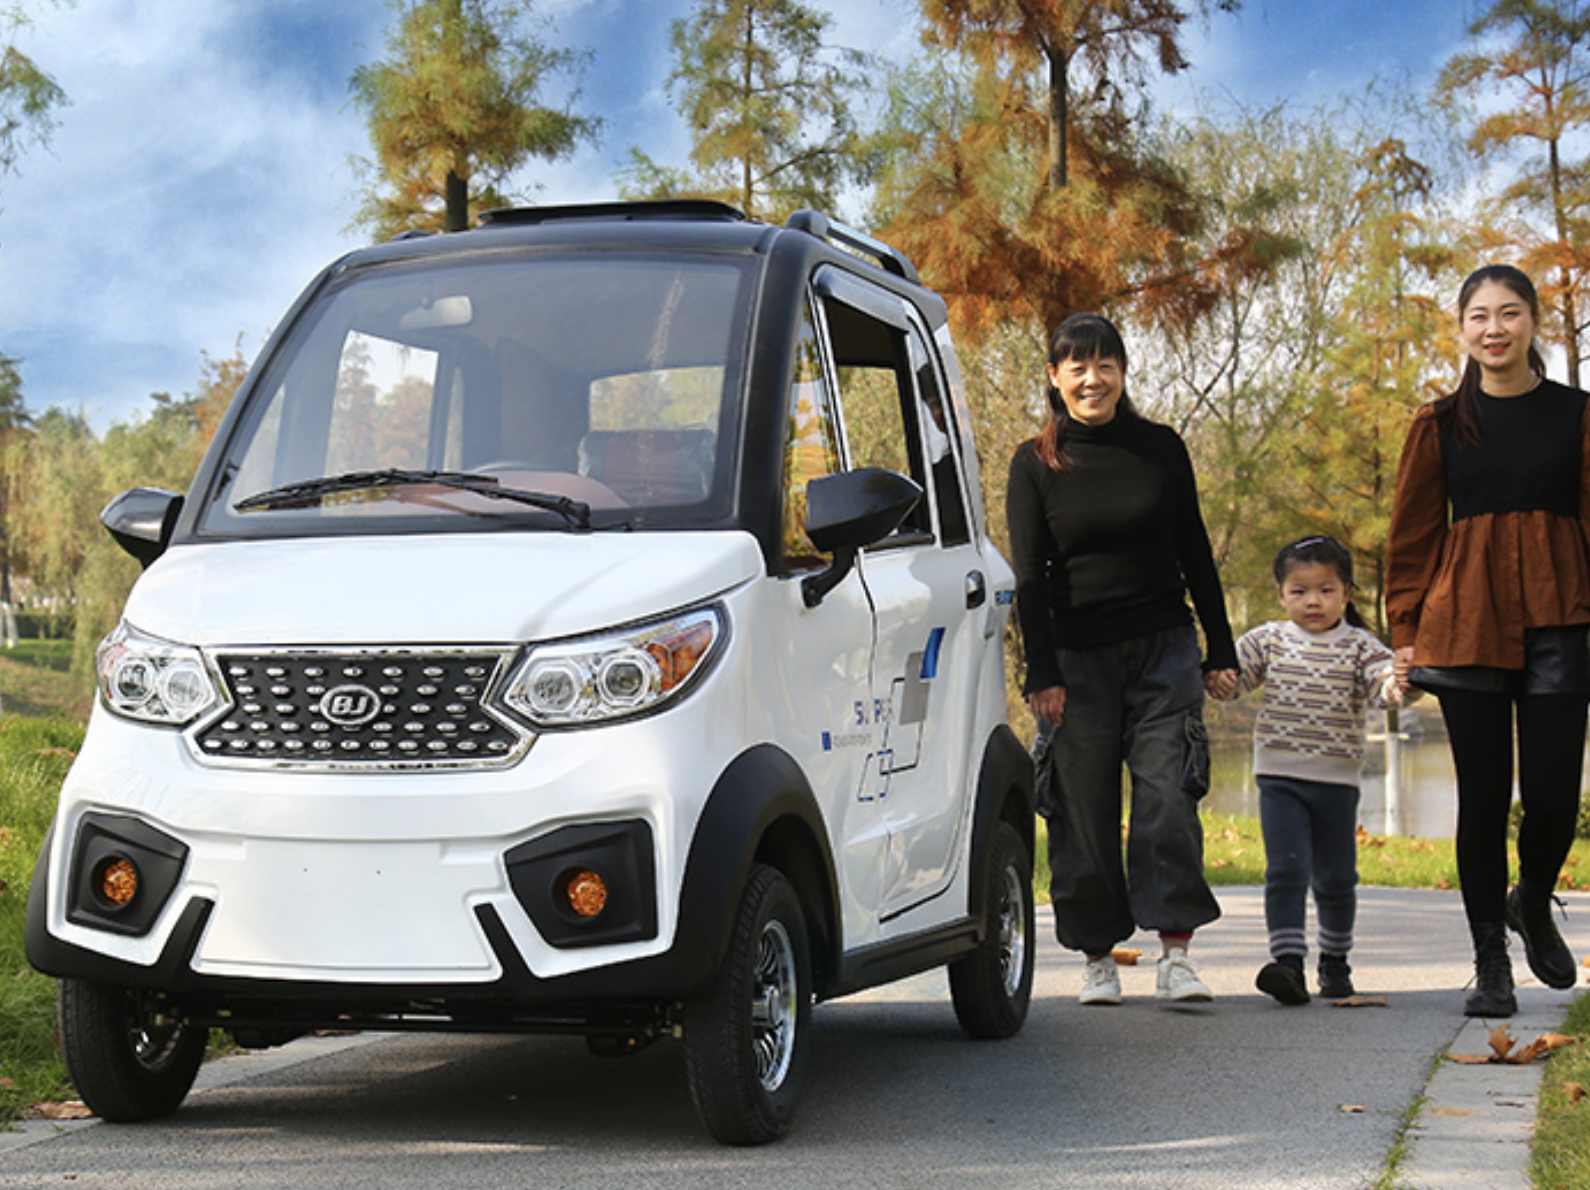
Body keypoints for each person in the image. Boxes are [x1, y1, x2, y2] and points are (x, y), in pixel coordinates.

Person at [1007, 312, 1238, 1006]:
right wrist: (1040, 670)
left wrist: (1219, 649)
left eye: (1104, 364)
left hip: (1164, 649)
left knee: (1168, 798)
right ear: (1054, 377)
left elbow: (1194, 548)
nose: (1091, 378)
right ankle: (1098, 958)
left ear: (1122, 373)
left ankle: (1176, 955)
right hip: (1076, 663)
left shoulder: (1159, 448)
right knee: (1082, 810)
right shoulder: (1035, 462)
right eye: (1076, 366)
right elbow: (1029, 576)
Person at [1387, 263, 1590, 1018]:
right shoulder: (1438, 423)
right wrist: (1406, 634)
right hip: (1465, 620)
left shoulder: (1578, 414)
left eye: (1509, 313)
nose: (1495, 328)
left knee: (1552, 798)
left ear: (1535, 322)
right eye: (1479, 315)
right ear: (1461, 328)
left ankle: (1531, 899)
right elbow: (1410, 537)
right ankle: (1489, 962)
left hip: (1560, 614)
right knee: (1480, 798)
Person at [1212, 536, 1409, 1006]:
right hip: (1280, 778)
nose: (1313, 601)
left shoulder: (1360, 646)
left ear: (1345, 593)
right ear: (1281, 595)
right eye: (1299, 591)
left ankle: (1336, 962)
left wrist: (1402, 683)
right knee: (1286, 869)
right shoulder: (1269, 640)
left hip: (1337, 781)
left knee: (1337, 877)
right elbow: (1234, 679)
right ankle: (1289, 964)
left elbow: (1384, 689)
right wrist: (1218, 679)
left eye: (1325, 590)